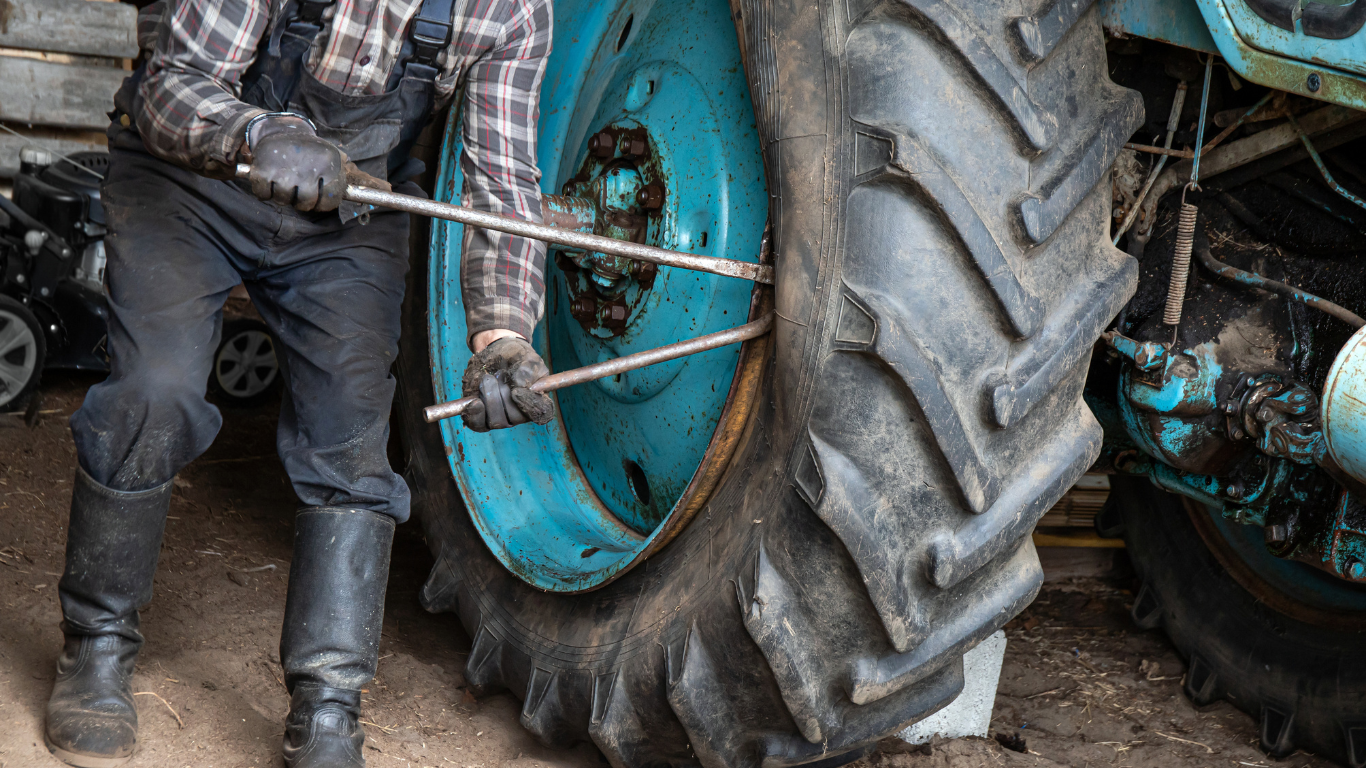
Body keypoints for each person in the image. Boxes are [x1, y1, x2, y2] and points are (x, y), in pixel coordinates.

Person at [44, 0, 554, 766]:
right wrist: (257, 131)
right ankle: (97, 644)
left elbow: (500, 185)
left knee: (350, 446)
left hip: (347, 217)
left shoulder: (510, 12)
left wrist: (504, 335)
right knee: (158, 391)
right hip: (190, 186)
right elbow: (173, 85)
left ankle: (328, 704)